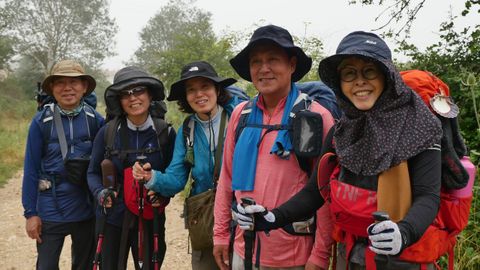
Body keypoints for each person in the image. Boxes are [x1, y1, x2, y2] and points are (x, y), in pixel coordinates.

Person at [234, 31, 443, 270]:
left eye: (370, 71)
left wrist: (403, 232)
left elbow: (428, 196)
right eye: (349, 73)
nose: (359, 82)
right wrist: (273, 217)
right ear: (340, 83)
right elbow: (316, 191)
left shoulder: (420, 124)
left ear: (388, 75)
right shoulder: (343, 130)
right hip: (351, 251)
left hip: (402, 257)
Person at [213, 24, 336, 270]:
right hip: (242, 246)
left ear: (291, 65)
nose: (264, 68)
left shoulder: (315, 117)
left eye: (273, 60)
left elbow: (325, 192)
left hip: (294, 255)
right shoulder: (241, 115)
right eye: (256, 61)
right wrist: (220, 234)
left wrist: (320, 254)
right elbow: (226, 178)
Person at [132, 60, 240, 269]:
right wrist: (151, 177)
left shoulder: (240, 117)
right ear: (185, 97)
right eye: (191, 90)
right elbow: (176, 178)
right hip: (207, 216)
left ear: (217, 89)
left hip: (241, 213)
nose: (199, 94)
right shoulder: (187, 129)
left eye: (205, 87)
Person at [87, 66, 176, 270]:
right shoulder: (107, 132)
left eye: (138, 91)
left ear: (150, 94)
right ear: (118, 100)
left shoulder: (165, 133)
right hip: (112, 217)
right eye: (126, 94)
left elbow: (175, 174)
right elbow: (92, 172)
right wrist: (101, 193)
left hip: (150, 217)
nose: (133, 98)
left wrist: (163, 194)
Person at [22, 59, 104, 270]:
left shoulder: (96, 120)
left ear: (84, 87)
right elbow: (31, 169)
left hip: (85, 207)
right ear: (52, 88)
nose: (67, 88)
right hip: (50, 208)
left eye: (74, 82)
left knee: (84, 265)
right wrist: (31, 213)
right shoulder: (41, 122)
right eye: (60, 82)